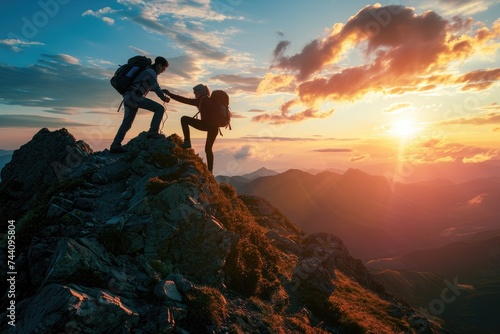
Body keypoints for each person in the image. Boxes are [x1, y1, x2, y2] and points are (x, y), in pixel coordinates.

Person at [110, 56, 171, 153]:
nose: (163, 71)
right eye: (163, 68)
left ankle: (115, 146)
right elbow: (156, 87)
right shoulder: (151, 72)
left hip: (128, 97)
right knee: (159, 109)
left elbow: (147, 86)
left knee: (127, 123)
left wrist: (161, 91)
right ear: (159, 65)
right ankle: (153, 132)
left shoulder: (147, 71)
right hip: (135, 97)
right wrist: (164, 98)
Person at [164, 84, 225, 173]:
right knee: (208, 149)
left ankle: (187, 142)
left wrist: (170, 94)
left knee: (184, 119)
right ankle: (210, 171)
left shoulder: (203, 100)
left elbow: (184, 100)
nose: (195, 95)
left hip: (208, 125)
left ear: (200, 92)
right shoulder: (207, 100)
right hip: (214, 127)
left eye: (195, 93)